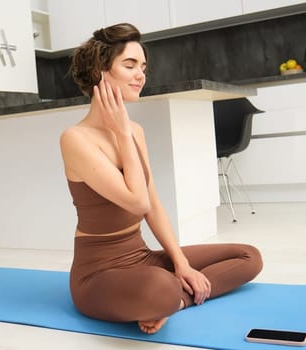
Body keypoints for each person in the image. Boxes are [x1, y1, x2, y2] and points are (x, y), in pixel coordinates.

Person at [59, 23, 264, 335]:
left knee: (249, 257)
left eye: (143, 66)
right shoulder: (76, 139)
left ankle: (174, 301)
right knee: (162, 286)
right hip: (98, 275)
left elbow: (152, 204)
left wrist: (181, 263)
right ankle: (165, 297)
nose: (141, 74)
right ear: (100, 70)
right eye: (129, 65)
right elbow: (136, 201)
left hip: (142, 258)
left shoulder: (136, 133)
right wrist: (122, 131)